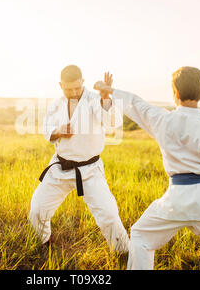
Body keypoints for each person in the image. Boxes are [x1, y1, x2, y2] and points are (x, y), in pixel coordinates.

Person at [94, 66, 200, 269]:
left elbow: (135, 103)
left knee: (141, 235)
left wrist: (109, 90)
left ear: (175, 92)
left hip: (176, 201)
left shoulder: (163, 119)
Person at [29, 65, 129, 254]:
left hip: (90, 170)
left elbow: (113, 123)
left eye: (77, 87)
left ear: (83, 82)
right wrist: (58, 132)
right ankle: (44, 243)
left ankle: (124, 253)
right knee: (37, 210)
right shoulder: (56, 104)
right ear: (60, 85)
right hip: (60, 167)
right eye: (69, 89)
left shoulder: (96, 100)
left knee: (109, 215)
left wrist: (106, 98)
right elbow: (46, 128)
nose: (74, 92)